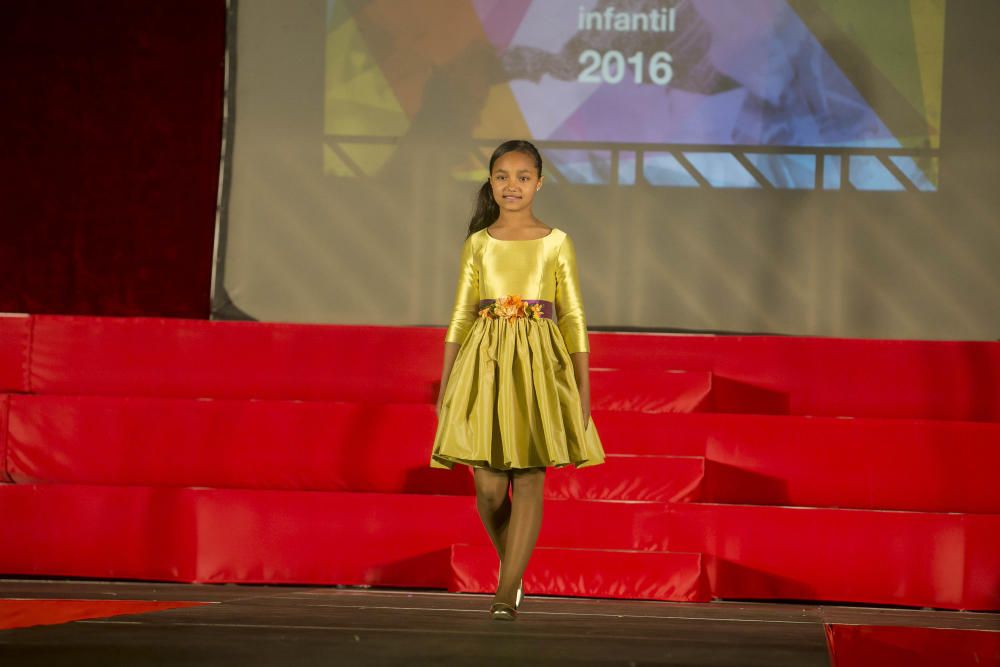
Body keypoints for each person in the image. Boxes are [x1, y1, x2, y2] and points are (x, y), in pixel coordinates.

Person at [430, 139, 606, 621]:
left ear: (539, 182)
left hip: (539, 367)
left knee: (529, 477)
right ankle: (516, 566)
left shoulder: (556, 242)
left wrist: (583, 387)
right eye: (503, 176)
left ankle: (506, 591)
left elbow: (573, 316)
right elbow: (461, 315)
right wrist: (445, 384)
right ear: (491, 182)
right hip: (484, 367)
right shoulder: (479, 243)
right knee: (487, 488)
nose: (513, 185)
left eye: (523, 176)